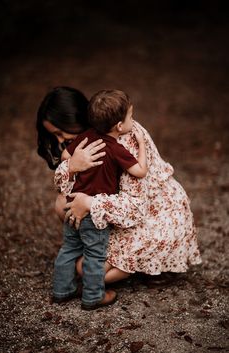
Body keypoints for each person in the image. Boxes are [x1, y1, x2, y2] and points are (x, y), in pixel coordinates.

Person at [37, 86, 201, 295]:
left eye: (61, 132)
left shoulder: (124, 142)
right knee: (63, 203)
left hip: (151, 215)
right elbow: (63, 183)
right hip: (115, 210)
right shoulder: (93, 135)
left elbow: (136, 205)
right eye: (54, 135)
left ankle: (152, 264)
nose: (60, 141)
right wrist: (72, 166)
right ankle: (96, 250)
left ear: (77, 120)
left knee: (84, 270)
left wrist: (89, 203)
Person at [52, 89, 147, 310]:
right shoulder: (116, 148)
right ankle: (93, 296)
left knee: (69, 249)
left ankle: (61, 291)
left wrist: (76, 161)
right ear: (119, 127)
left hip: (71, 203)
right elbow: (140, 171)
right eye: (130, 117)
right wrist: (141, 144)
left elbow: (66, 157)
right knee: (95, 254)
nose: (132, 120)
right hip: (92, 213)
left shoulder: (86, 136)